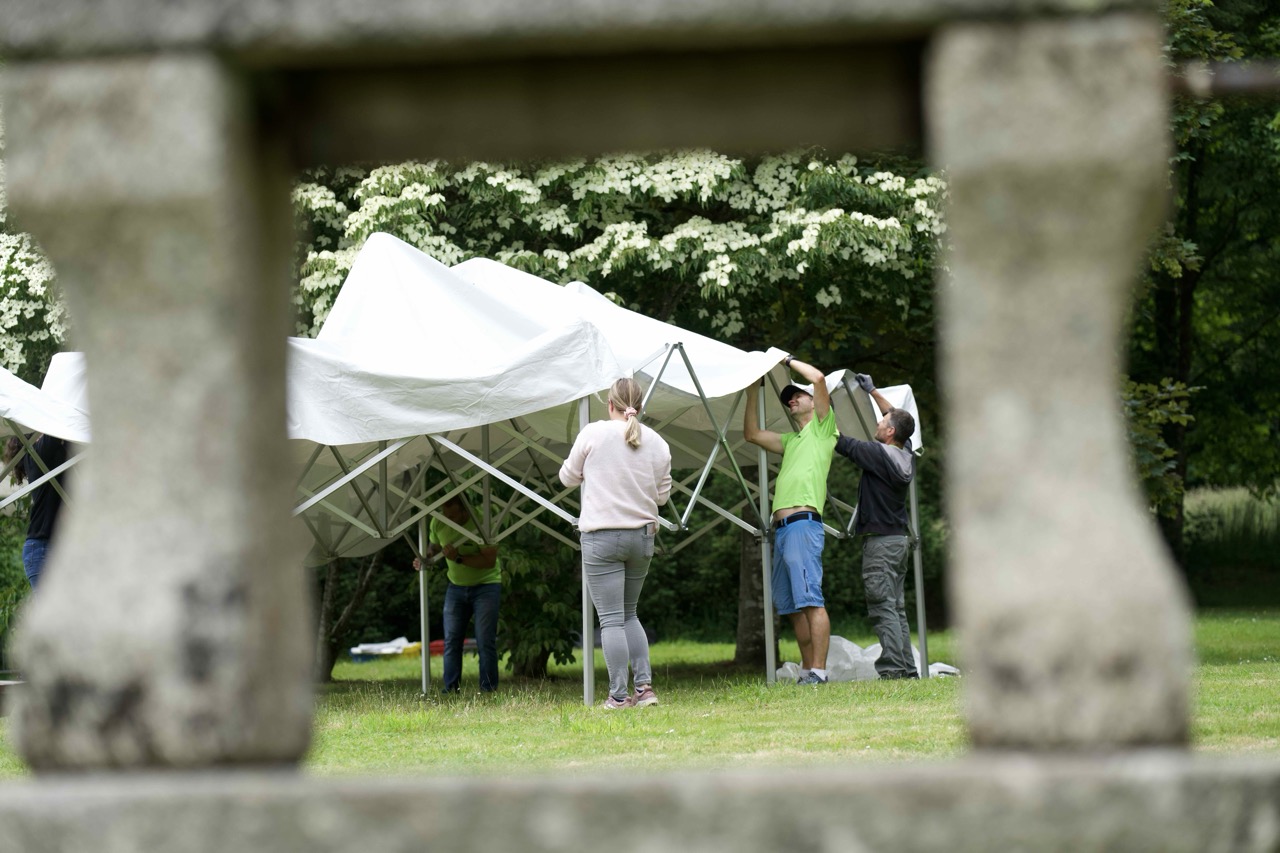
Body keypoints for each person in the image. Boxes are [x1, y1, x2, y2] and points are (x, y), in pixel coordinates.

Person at [558, 377, 672, 710]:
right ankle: (645, 689)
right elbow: (662, 497)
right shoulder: (658, 443)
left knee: (610, 619)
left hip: (601, 536)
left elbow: (567, 478)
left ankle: (619, 696)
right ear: (641, 406)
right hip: (642, 536)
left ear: (610, 404)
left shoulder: (593, 433)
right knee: (629, 613)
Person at [743, 356, 837, 686]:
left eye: (798, 395)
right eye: (789, 398)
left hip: (802, 524)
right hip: (782, 531)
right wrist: (752, 391)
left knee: (810, 600)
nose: (792, 400)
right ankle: (808, 671)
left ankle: (819, 673)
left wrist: (786, 359)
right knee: (793, 607)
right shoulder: (791, 440)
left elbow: (819, 377)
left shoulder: (825, 429)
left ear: (815, 401)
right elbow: (751, 434)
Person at [835, 372, 919, 679]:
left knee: (883, 608)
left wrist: (818, 406)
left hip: (880, 546)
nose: (879, 422)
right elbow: (895, 415)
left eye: (883, 421)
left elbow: (838, 440)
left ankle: (893, 669)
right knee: (896, 609)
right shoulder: (905, 454)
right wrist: (872, 391)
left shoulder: (876, 454)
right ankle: (907, 669)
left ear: (890, 431)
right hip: (898, 541)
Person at [412, 493, 502, 693]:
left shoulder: (482, 522)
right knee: (452, 639)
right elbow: (434, 547)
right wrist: (427, 557)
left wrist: (459, 558)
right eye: (446, 516)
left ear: (465, 511)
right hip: (456, 586)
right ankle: (451, 688)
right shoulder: (438, 521)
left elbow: (489, 561)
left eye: (453, 516)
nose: (449, 520)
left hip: (486, 586)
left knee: (484, 640)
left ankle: (488, 689)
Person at [3, 433, 70, 589]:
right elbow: (54, 430)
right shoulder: (36, 455)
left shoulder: (47, 458)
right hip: (42, 548)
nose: (41, 435)